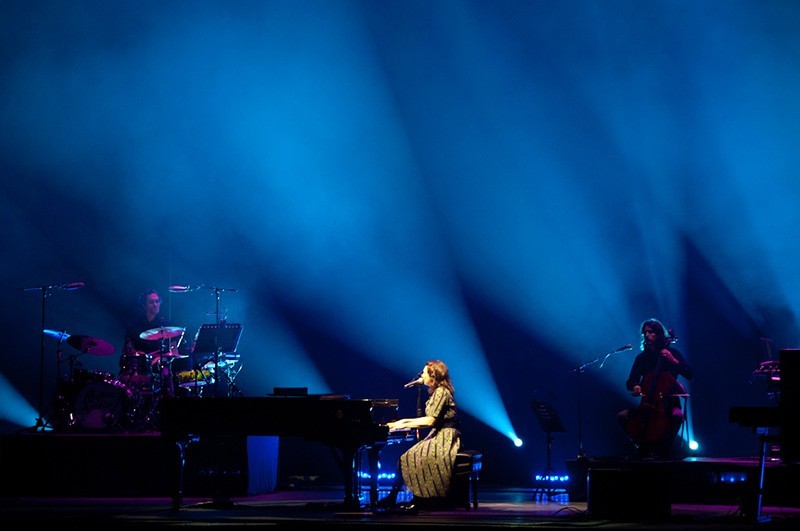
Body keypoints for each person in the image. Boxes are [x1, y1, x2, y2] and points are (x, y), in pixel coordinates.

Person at [378, 360, 461, 511]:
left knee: (411, 457)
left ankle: (420, 499)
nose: (421, 375)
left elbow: (430, 420)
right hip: (438, 434)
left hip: (446, 436)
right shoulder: (437, 392)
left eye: (424, 372)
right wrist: (401, 422)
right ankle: (395, 496)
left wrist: (401, 424)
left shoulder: (441, 392)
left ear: (433, 376)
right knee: (407, 457)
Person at [617, 318, 693, 459]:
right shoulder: (642, 358)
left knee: (677, 416)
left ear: (659, 335)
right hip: (646, 404)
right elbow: (631, 381)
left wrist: (673, 360)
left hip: (669, 403)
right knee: (622, 416)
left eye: (651, 332)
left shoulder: (672, 354)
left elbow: (689, 374)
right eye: (645, 333)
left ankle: (664, 449)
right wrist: (636, 386)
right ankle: (639, 444)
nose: (646, 335)